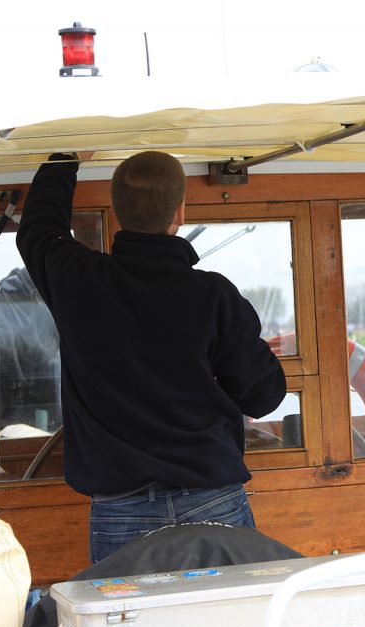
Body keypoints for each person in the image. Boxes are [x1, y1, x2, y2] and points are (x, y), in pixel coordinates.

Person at [17, 151, 286, 563]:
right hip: (212, 501)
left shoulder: (78, 280)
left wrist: (63, 161)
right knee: (231, 623)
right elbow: (264, 397)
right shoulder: (213, 296)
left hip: (119, 510)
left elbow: (38, 229)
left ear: (116, 211)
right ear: (180, 211)